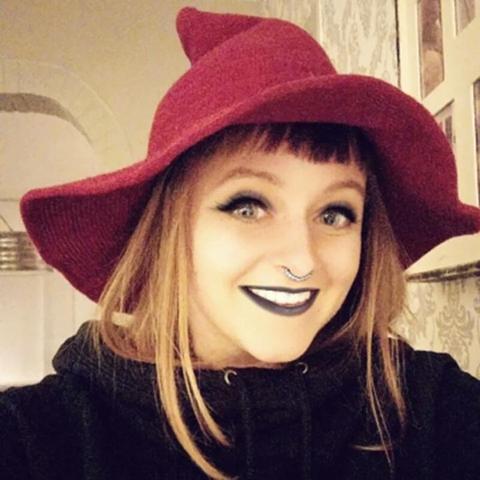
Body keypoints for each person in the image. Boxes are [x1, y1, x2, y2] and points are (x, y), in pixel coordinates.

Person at [1, 6, 480, 480]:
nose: (301, 260)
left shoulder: (434, 410)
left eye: (335, 213)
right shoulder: (38, 440)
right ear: (169, 231)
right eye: (248, 206)